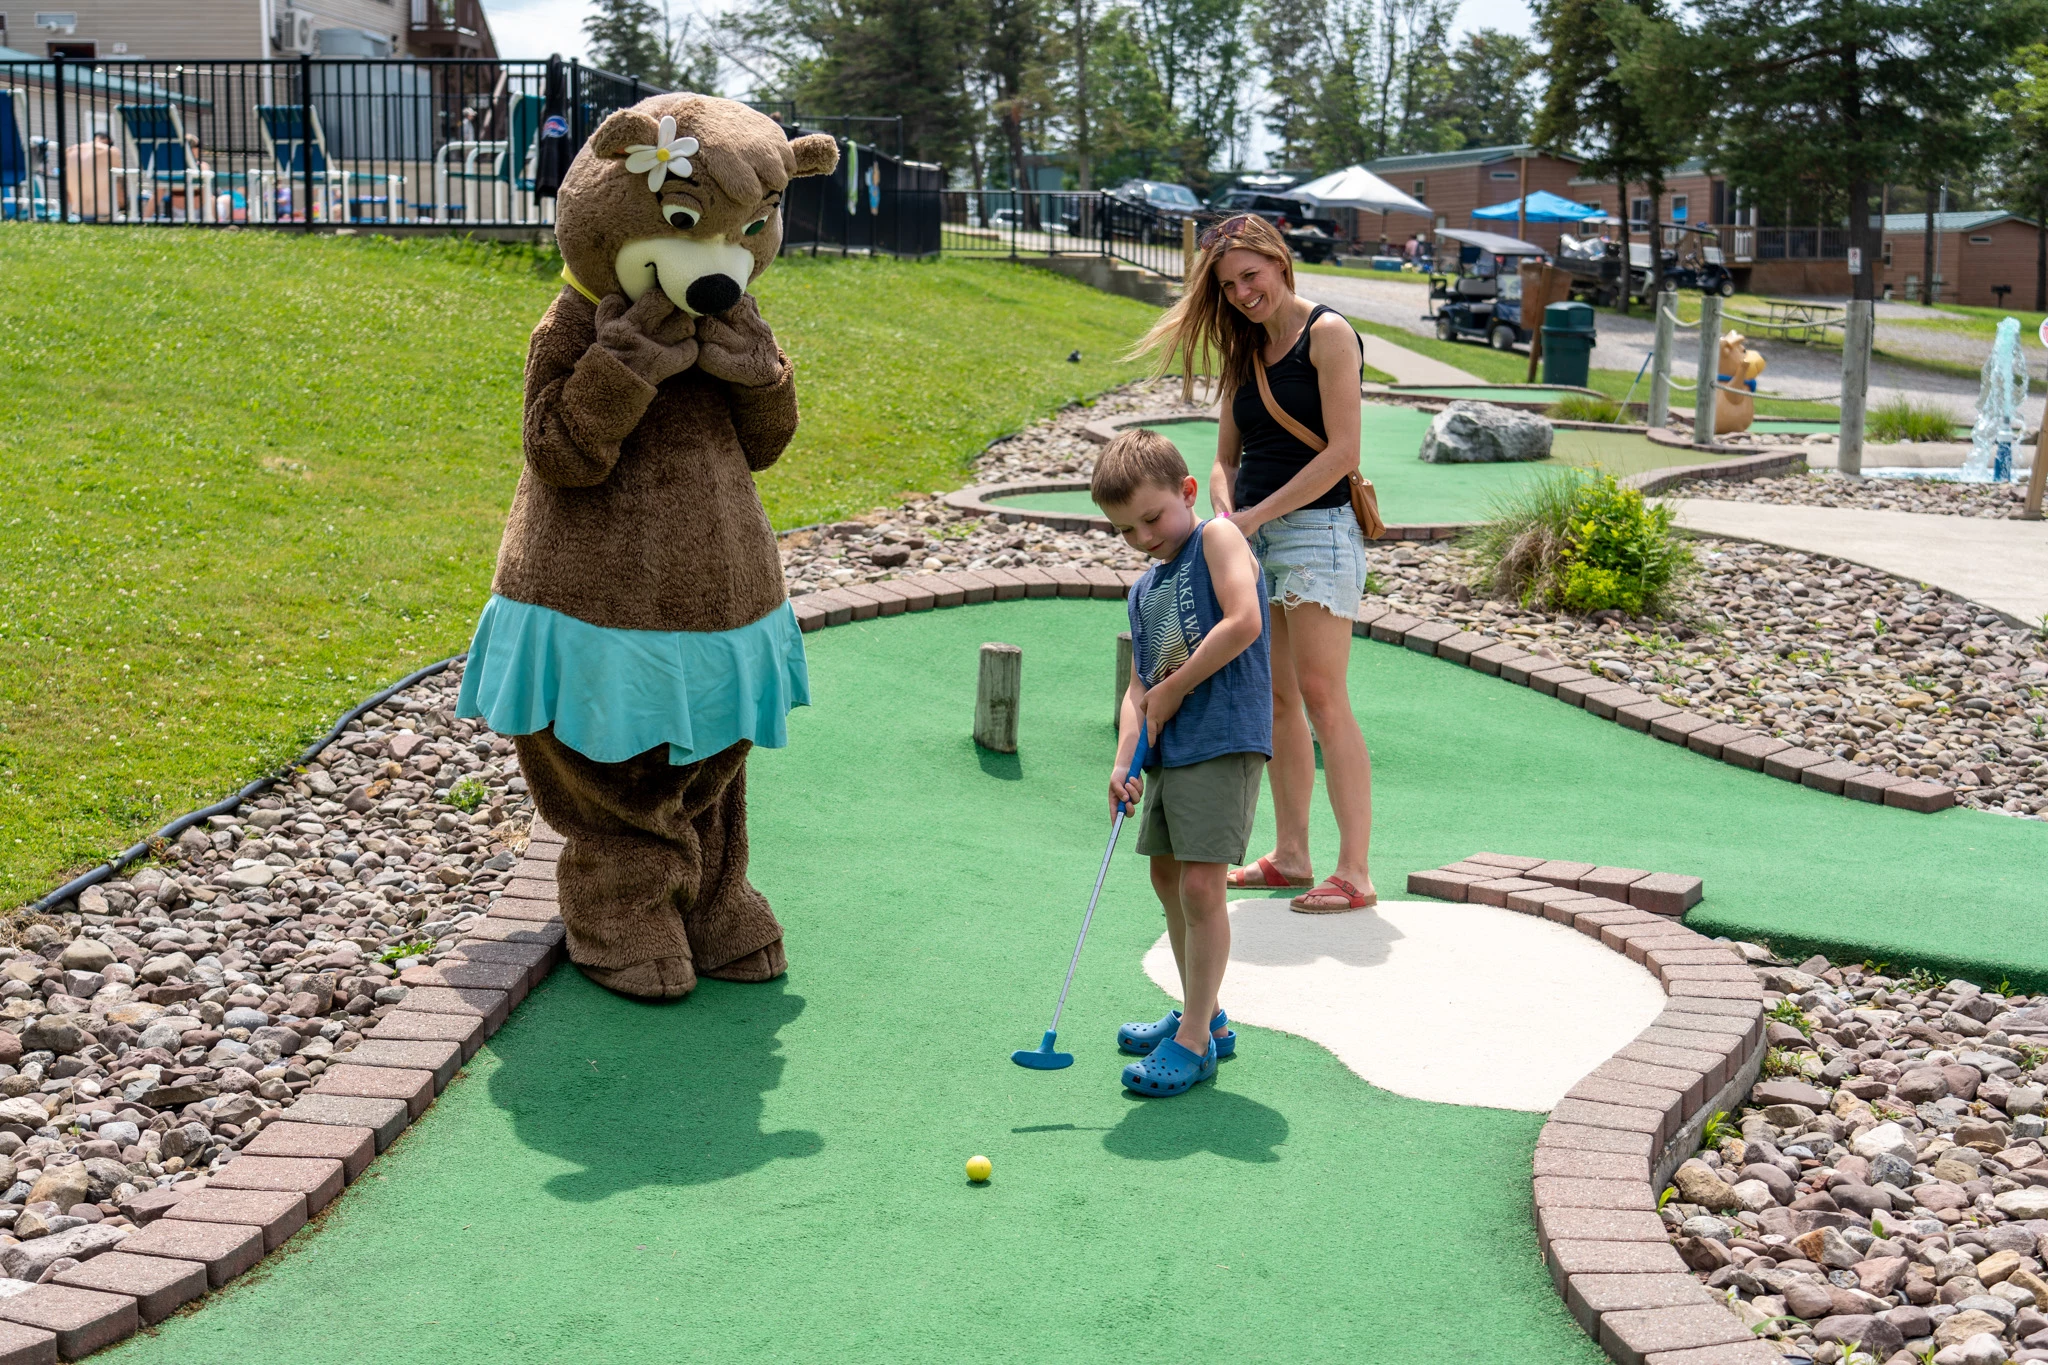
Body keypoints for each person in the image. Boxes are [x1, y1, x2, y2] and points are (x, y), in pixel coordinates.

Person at [1130, 212, 1376, 913]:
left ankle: (1354, 870)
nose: (1241, 293)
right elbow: (1223, 457)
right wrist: (1225, 511)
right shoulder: (1244, 351)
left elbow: (1342, 453)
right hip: (1255, 537)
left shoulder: (1328, 335)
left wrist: (1255, 517)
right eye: (1229, 284)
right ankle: (1292, 851)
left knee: (1325, 696)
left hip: (1317, 531)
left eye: (1251, 276)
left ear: (1279, 261)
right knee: (1279, 699)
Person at [1096, 428, 1270, 1098]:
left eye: (1151, 517)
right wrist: (1121, 762)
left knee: (1202, 885)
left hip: (1224, 733)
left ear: (1187, 492)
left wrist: (1177, 687)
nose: (1142, 537)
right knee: (1169, 878)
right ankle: (1207, 1010)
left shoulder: (1217, 539)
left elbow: (1243, 621)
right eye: (1125, 530)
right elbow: (1140, 689)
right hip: (1173, 750)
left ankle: (1194, 1039)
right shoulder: (1144, 590)